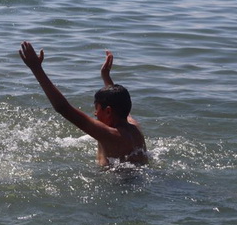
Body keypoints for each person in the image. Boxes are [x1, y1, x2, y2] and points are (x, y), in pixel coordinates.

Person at [18, 41, 147, 166]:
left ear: (108, 111)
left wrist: (36, 68)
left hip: (116, 184)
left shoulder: (110, 135)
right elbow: (118, 101)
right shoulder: (134, 127)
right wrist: (105, 76)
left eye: (97, 109)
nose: (95, 113)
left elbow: (63, 108)